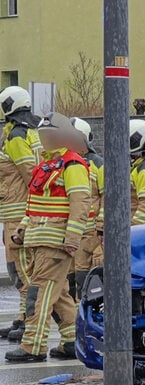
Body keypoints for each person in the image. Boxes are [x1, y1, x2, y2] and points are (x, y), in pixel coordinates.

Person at [6, 113, 90, 363]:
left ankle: (33, 346)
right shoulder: (46, 166)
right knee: (60, 294)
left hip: (55, 243)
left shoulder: (72, 165)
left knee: (39, 294)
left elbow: (80, 202)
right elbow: (33, 206)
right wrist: (22, 228)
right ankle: (72, 342)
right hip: (39, 240)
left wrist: (72, 238)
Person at [0, 86, 42, 342]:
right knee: (24, 269)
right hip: (20, 211)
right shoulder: (32, 131)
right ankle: (22, 317)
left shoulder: (16, 137)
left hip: (18, 213)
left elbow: (29, 174)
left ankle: (29, 320)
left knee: (21, 270)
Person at [69, 117, 104, 301]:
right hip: (70, 234)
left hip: (90, 235)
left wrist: (101, 228)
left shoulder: (97, 164)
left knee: (86, 282)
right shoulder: (65, 163)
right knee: (70, 282)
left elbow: (108, 197)